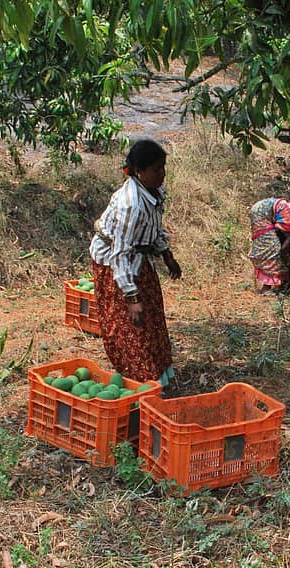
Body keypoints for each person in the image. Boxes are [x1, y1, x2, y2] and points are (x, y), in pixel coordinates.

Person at [89, 139, 181, 387]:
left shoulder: (154, 192)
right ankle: (139, 384)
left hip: (139, 260)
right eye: (156, 170)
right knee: (129, 327)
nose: (162, 175)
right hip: (115, 265)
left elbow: (154, 227)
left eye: (164, 168)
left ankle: (158, 376)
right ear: (140, 171)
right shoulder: (131, 204)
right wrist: (131, 297)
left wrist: (167, 255)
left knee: (152, 318)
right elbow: (119, 253)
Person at [247, 197, 290, 294]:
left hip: (261, 209)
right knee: (272, 249)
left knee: (274, 246)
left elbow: (288, 247)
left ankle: (279, 285)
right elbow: (285, 249)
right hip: (262, 213)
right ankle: (267, 288)